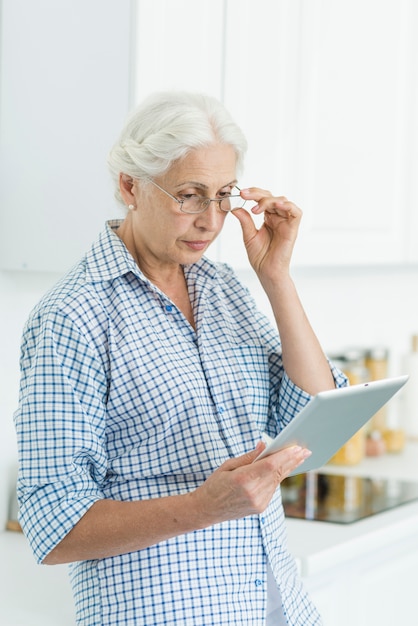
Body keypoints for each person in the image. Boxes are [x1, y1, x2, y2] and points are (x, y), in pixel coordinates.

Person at [14, 91, 347, 626]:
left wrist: (276, 278)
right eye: (189, 195)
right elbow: (53, 525)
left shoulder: (222, 288)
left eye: (222, 196)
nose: (210, 222)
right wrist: (204, 506)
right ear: (129, 184)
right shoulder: (72, 319)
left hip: (273, 605)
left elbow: (311, 414)